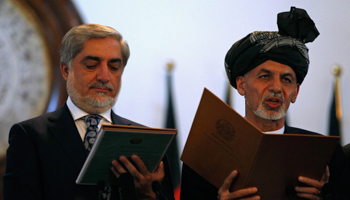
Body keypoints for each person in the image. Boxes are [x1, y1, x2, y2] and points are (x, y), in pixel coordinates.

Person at [180, 7, 350, 200]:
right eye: (264, 76)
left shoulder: (324, 154)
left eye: (286, 79)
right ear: (242, 85)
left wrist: (325, 197)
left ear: (295, 92)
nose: (276, 87)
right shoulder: (205, 155)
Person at [3, 24, 174, 200]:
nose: (104, 77)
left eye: (114, 67)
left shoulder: (149, 140)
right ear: (66, 70)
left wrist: (147, 194)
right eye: (92, 65)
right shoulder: (31, 136)